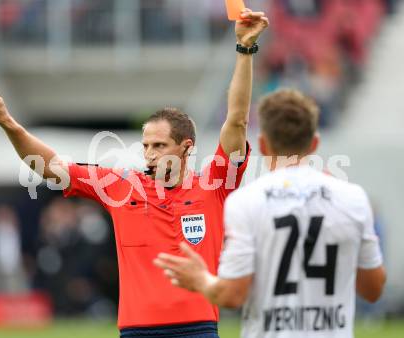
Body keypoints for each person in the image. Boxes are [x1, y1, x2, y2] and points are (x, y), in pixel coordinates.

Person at [0, 8, 269, 338]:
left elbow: (237, 122)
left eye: (159, 146)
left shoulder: (214, 184)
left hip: (198, 329)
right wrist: (10, 125)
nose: (149, 154)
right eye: (146, 146)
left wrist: (245, 50)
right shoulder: (120, 186)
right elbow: (50, 166)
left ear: (186, 147)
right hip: (136, 331)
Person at [154, 89, 386, 338]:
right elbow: (372, 290)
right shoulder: (352, 198)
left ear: (263, 145)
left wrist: (201, 279)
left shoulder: (246, 201)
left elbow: (232, 295)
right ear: (315, 143)